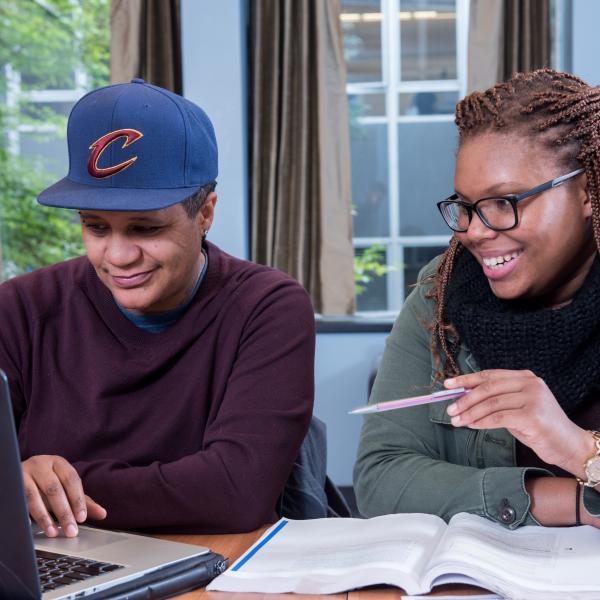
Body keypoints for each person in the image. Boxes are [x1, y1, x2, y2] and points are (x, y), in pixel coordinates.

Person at [0, 79, 315, 538]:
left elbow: (237, 493)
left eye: (145, 228)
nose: (119, 256)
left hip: (215, 570)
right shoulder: (20, 308)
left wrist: (43, 491)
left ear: (204, 213)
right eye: (95, 227)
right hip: (58, 567)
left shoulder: (267, 307)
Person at [354, 69, 600, 529]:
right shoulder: (441, 292)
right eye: (466, 206)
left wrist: (571, 444)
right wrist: (577, 503)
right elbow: (380, 476)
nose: (476, 231)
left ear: (586, 192)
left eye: (505, 202)